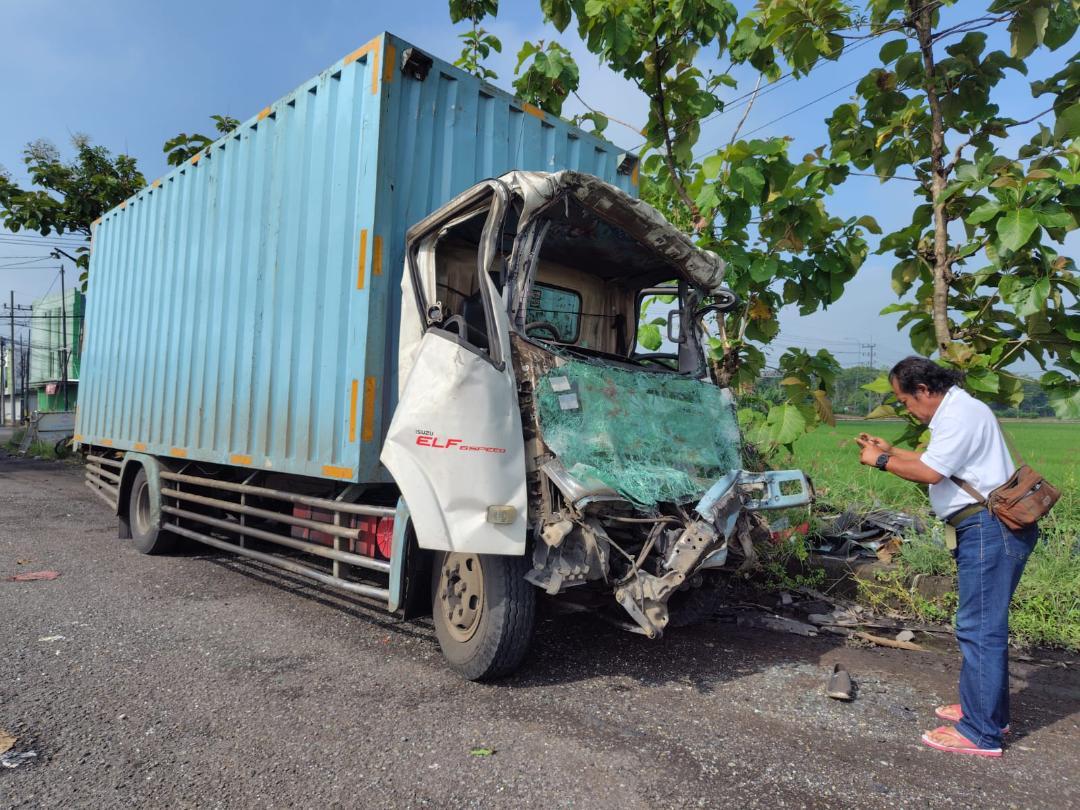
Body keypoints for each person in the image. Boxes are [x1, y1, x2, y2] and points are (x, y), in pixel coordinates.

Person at [855, 356, 1037, 758]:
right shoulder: (959, 410)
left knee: (980, 628)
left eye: (904, 400)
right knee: (982, 625)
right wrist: (893, 450)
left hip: (988, 530)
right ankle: (987, 712)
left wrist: (882, 461)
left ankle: (981, 733)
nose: (906, 408)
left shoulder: (959, 415)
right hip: (986, 529)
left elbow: (931, 473)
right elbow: (936, 463)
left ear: (923, 390)